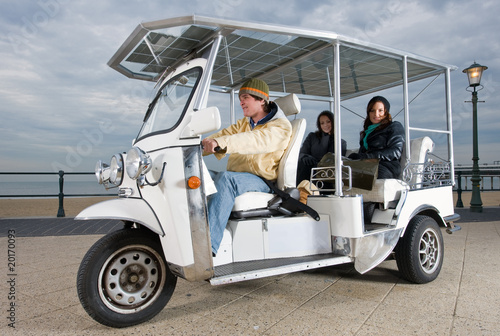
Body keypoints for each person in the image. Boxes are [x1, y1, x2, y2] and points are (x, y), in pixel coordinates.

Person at [202, 78, 292, 256]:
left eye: (245, 97)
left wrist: (219, 143)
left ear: (261, 99)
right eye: (240, 98)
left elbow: (254, 140)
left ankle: (207, 250)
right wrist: (194, 147)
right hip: (238, 177)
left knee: (226, 179)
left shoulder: (281, 126)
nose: (241, 102)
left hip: (262, 181)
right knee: (198, 173)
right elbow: (222, 135)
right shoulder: (244, 124)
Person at [348, 96, 405, 179]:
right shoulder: (367, 132)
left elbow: (395, 152)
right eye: (372, 111)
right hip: (368, 165)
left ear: (386, 112)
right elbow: (362, 154)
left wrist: (367, 157)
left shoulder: (394, 126)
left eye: (380, 110)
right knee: (340, 171)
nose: (376, 114)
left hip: (386, 167)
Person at [296, 110, 347, 185]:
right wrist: (305, 157)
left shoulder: (340, 142)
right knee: (304, 164)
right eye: (322, 123)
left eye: (328, 122)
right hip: (307, 168)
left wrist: (328, 137)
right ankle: (300, 190)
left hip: (325, 172)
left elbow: (332, 160)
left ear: (333, 122)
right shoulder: (312, 136)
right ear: (319, 125)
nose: (325, 125)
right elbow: (302, 152)